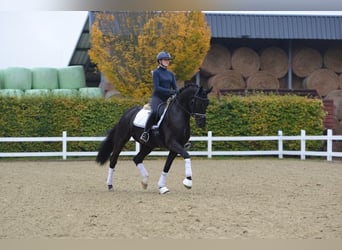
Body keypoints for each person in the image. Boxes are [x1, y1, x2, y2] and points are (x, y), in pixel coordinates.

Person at [140, 51, 178, 143]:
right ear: (160, 61)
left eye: (168, 60)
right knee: (155, 112)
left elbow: (175, 87)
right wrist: (170, 92)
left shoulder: (171, 74)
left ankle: (180, 137)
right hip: (158, 98)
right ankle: (145, 132)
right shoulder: (156, 73)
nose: (167, 61)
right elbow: (157, 88)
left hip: (168, 99)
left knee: (178, 113)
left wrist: (176, 92)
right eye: (165, 60)